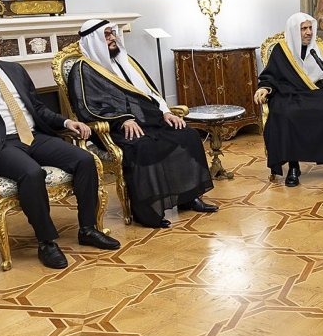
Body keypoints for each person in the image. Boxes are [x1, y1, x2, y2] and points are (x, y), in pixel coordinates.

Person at [0, 17, 119, 269]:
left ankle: (87, 229)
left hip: (33, 136)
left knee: (84, 159)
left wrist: (65, 124)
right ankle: (47, 242)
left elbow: (38, 109)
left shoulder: (14, 70)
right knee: (31, 173)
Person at [67, 19, 215, 228]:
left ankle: (188, 197)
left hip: (149, 120)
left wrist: (165, 112)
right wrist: (122, 119)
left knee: (187, 135)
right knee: (142, 146)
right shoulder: (83, 70)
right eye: (107, 35)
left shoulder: (127, 60)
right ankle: (147, 211)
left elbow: (150, 92)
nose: (112, 38)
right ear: (94, 40)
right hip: (114, 130)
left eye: (112, 34)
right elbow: (86, 107)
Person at [253, 12, 323, 186]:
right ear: (293, 31)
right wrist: (264, 88)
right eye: (304, 29)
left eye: (310, 28)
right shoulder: (281, 50)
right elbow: (270, 76)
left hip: (316, 91)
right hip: (289, 93)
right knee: (287, 113)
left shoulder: (318, 48)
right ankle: (292, 165)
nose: (309, 32)